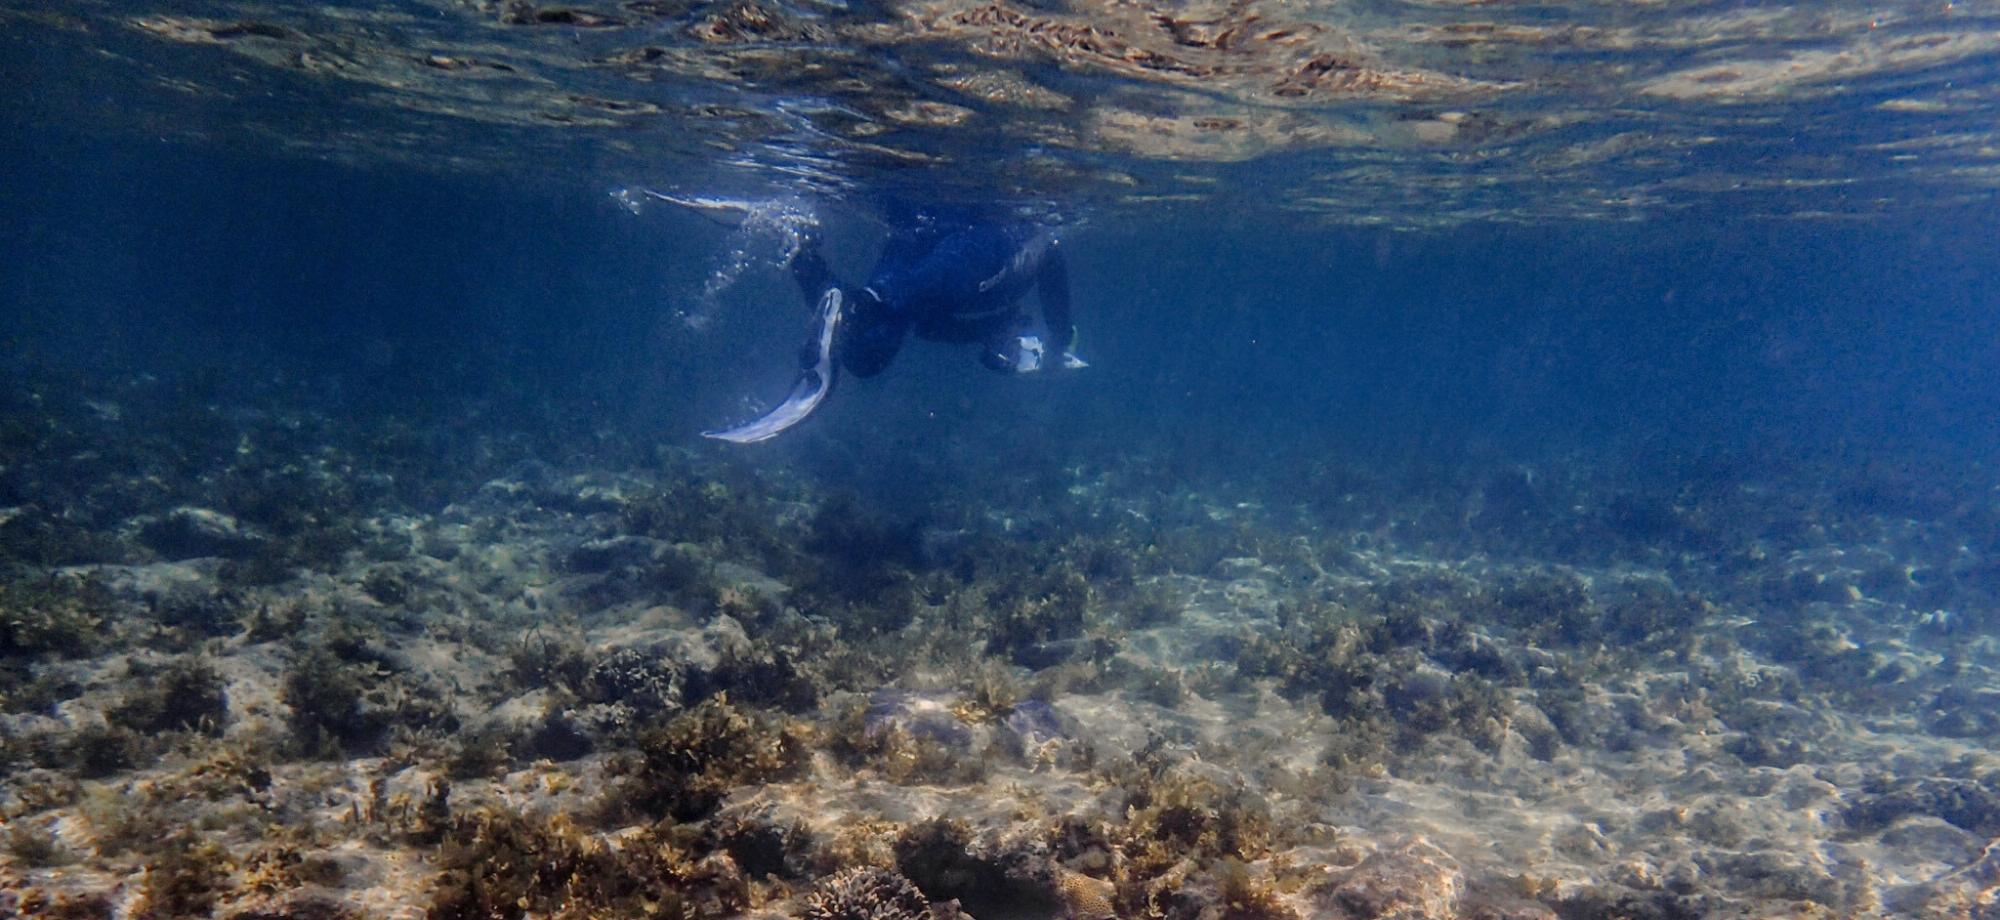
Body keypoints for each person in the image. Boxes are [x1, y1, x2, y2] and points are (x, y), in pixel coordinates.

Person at [706, 205, 1084, 443]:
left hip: (918, 223)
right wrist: (1060, 339)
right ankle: (857, 299)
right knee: (902, 296)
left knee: (867, 357)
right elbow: (1050, 259)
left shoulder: (991, 295)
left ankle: (800, 245)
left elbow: (927, 325)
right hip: (986, 237)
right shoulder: (1039, 236)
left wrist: (987, 329)